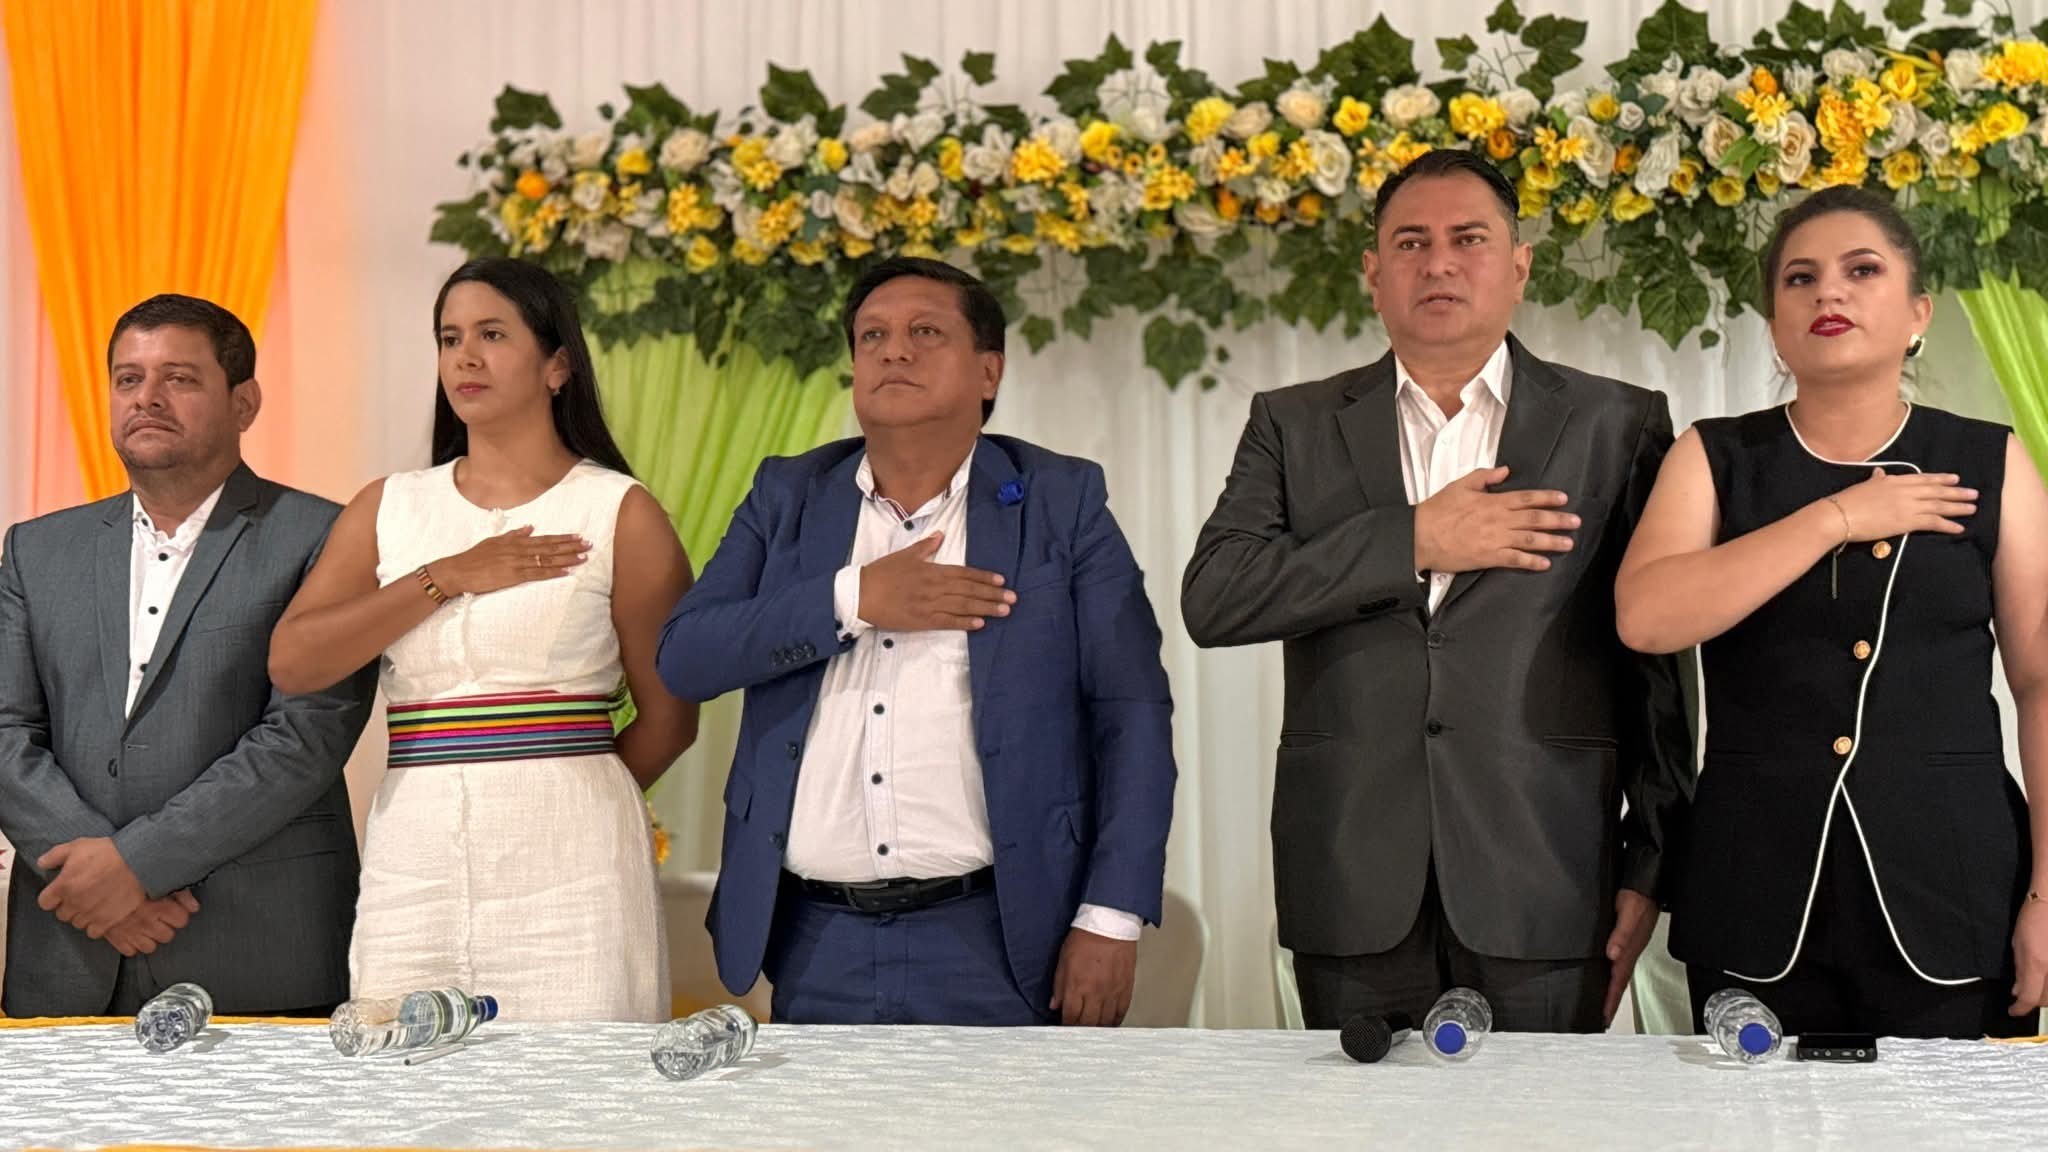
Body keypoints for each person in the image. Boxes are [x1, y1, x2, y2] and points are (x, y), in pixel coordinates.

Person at [1182, 149, 1693, 1032]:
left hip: (1549, 877)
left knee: (1549, 1108)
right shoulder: (1293, 423)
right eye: (1411, 243)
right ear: (1374, 274)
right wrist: (1413, 538)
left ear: (1520, 265)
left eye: (1469, 239)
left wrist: (1649, 864)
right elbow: (1217, 596)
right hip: (1351, 876)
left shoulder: (1617, 421)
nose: (1440, 263)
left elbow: (1658, 669)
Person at [657, 257, 1176, 1026]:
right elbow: (685, 656)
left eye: (925, 332)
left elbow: (1131, 713)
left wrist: (1111, 916)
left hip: (1001, 934)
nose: (893, 350)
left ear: (989, 371)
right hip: (815, 936)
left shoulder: (1060, 502)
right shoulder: (787, 495)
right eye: (872, 336)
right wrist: (854, 598)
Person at [1617, 186, 2048, 1038]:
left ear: (1918, 313)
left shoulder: (1987, 459)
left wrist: (2046, 893)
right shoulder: (1716, 455)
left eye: (1862, 271)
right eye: (1800, 279)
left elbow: (2039, 680)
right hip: (1752, 891)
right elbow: (1647, 616)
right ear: (1776, 327)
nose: (1829, 293)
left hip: (1955, 886)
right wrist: (1838, 518)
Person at [268, 257, 696, 1022]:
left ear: (557, 365)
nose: (465, 356)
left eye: (492, 335)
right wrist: (446, 575)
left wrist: (573, 795)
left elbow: (671, 717)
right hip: (414, 863)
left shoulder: (619, 512)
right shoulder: (389, 507)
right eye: (450, 338)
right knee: (403, 1071)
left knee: (576, 1081)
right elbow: (294, 662)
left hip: (576, 871)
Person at [0, 294, 374, 1016]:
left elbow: (304, 736)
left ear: (244, 402)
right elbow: (7, 732)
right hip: (70, 951)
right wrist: (101, 885)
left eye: (179, 378)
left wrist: (134, 868)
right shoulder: (36, 551)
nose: (147, 398)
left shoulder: (326, 536)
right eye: (128, 379)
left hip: (257, 948)